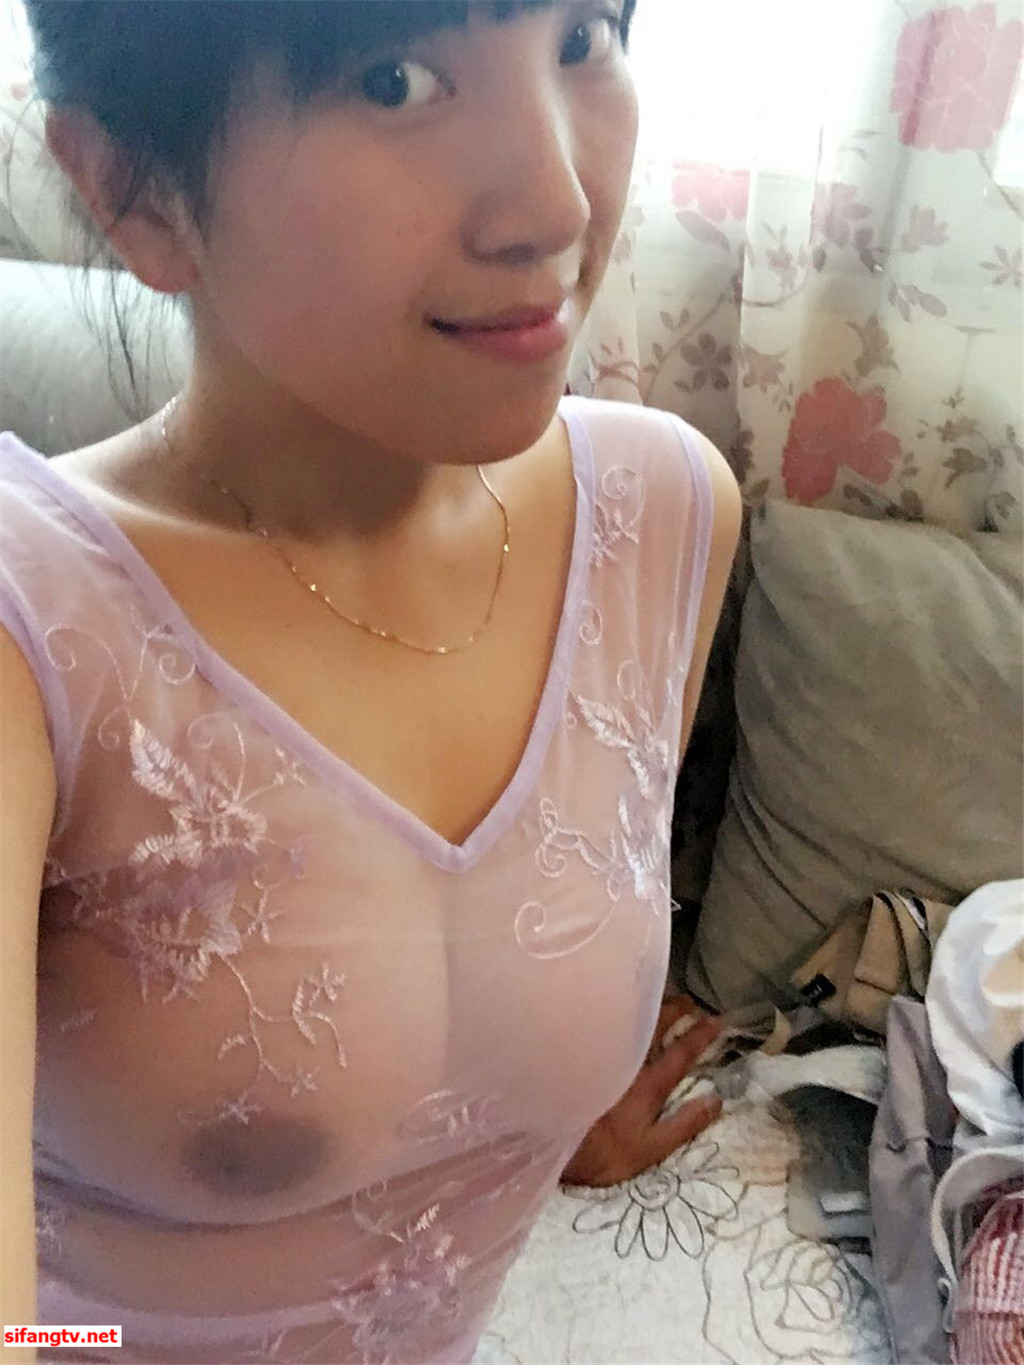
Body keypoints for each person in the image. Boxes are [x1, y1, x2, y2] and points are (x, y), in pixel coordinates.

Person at [0, 2, 742, 1360]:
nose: (558, 204)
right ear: (133, 187)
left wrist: (556, 1105)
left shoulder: (663, 512)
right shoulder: (29, 624)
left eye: (582, 38)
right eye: (395, 80)